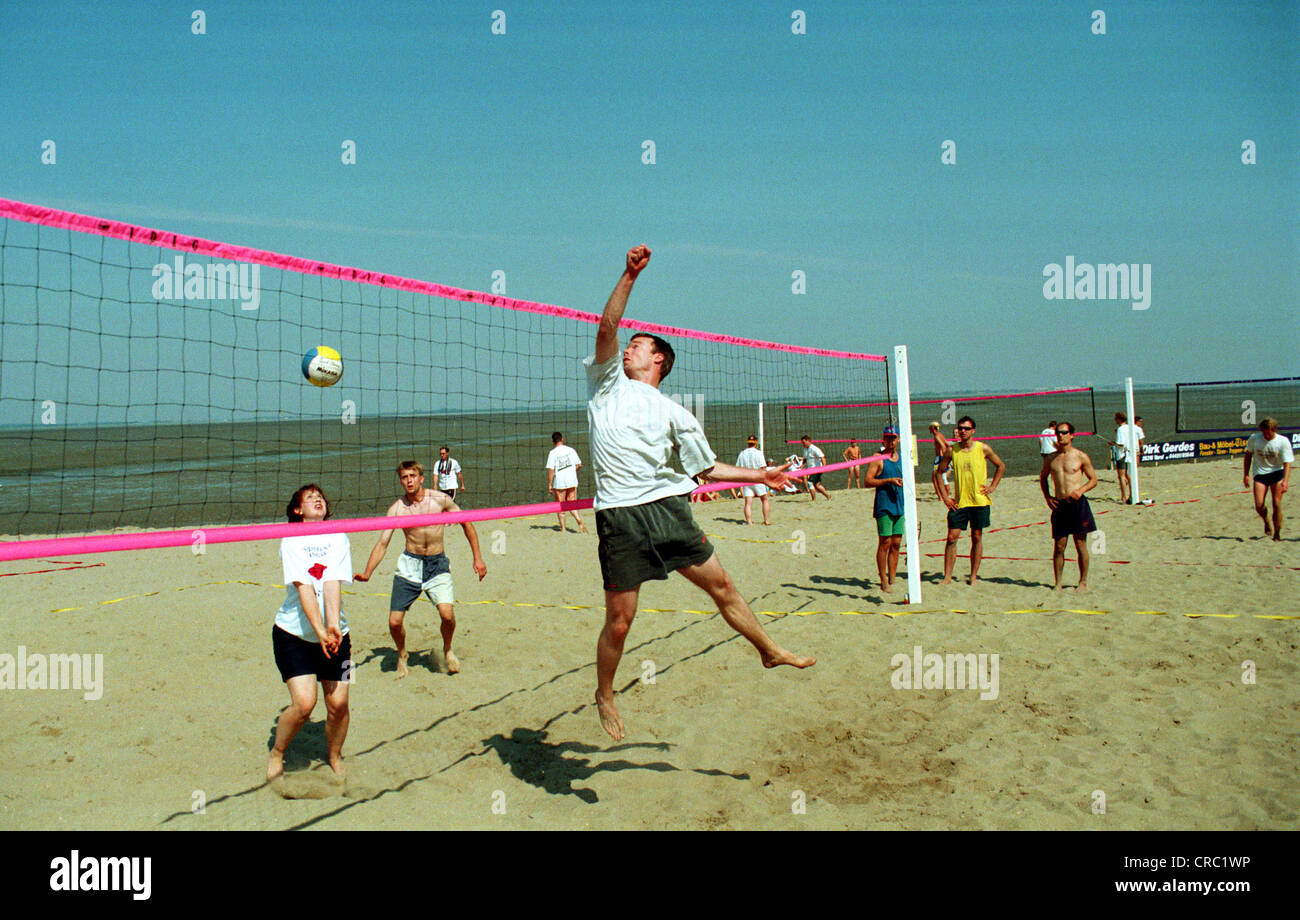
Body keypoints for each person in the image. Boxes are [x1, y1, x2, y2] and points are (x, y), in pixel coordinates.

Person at [586, 244, 815, 741]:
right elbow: (606, 329)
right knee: (621, 624)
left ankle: (769, 649)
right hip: (620, 516)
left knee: (724, 587)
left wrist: (761, 477)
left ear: (659, 359)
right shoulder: (607, 387)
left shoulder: (676, 413)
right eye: (629, 344)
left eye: (639, 345)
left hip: (667, 509)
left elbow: (706, 469)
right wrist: (628, 275)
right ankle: (605, 693)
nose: (628, 348)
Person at [354, 461, 487, 678]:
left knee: (447, 615)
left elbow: (467, 524)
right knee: (394, 622)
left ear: (421, 478)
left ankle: (447, 649)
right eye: (404, 477)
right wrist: (368, 572)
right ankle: (402, 654)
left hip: (437, 564)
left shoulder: (440, 499)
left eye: (412, 476)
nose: (409, 480)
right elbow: (382, 543)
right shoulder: (397, 509)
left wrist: (478, 559)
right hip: (410, 565)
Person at [267, 484, 352, 782]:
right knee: (304, 704)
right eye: (309, 498)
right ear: (297, 510)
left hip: (336, 634)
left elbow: (332, 583)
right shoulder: (291, 539)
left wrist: (332, 627)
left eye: (321, 497)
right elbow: (304, 587)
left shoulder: (338, 535)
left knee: (339, 705)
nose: (317, 499)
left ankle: (334, 755)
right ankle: (277, 752)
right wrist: (318, 629)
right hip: (293, 635)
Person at [934, 416, 1006, 585]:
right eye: (960, 428)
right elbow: (939, 473)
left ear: (973, 431)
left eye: (966, 428)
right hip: (959, 502)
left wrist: (992, 487)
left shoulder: (983, 448)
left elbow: (1000, 466)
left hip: (979, 501)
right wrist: (945, 497)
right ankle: (947, 577)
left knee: (976, 536)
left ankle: (973, 576)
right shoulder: (952, 450)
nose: (963, 431)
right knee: (952, 537)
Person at [1039, 422, 1099, 591]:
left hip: (1077, 504)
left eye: (1064, 432)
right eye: (1058, 433)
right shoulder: (1051, 458)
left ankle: (1083, 582)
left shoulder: (1080, 456)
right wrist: (1048, 497)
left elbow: (1093, 479)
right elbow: (1043, 478)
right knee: (1059, 545)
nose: (1060, 435)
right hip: (1060, 504)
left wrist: (1081, 490)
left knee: (1080, 544)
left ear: (1072, 435)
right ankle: (1058, 583)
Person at [863, 426, 905, 593]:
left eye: (893, 438)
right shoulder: (878, 458)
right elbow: (867, 481)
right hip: (884, 505)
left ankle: (893, 578)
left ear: (898, 439)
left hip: (900, 504)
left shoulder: (902, 458)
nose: (891, 441)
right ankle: (883, 580)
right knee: (885, 543)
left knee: (896, 543)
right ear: (883, 439)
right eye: (888, 438)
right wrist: (888, 481)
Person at [1243, 417, 1293, 541]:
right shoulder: (1255, 438)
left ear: (1274, 430)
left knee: (1276, 503)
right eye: (1263, 432)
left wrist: (1285, 481)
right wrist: (1246, 474)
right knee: (1259, 505)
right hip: (1260, 474)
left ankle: (1277, 533)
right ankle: (1266, 521)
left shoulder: (1283, 441)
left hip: (1277, 473)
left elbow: (1287, 463)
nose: (1265, 435)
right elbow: (1248, 456)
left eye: (1268, 432)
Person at [546, 432, 587, 533]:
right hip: (572, 480)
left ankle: (563, 529)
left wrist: (550, 484)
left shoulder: (553, 453)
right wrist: (573, 470)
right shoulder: (571, 450)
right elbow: (579, 464)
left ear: (553, 441)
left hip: (560, 482)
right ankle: (579, 521)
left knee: (560, 506)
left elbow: (551, 470)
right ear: (562, 439)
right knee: (572, 503)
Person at [736, 435, 772, 525]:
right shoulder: (758, 453)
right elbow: (763, 468)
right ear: (756, 442)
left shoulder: (742, 453)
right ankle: (766, 520)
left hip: (747, 479)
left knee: (748, 502)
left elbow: (737, 468)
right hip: (757, 478)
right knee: (764, 499)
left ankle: (749, 522)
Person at [1110, 412, 1139, 503]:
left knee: (1122, 476)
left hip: (1122, 454)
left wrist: (1113, 443)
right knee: (1129, 475)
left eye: (1115, 419)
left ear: (1118, 419)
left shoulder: (1121, 429)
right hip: (1131, 453)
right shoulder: (1130, 427)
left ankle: (1123, 497)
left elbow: (1121, 444)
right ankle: (1131, 494)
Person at [800, 435, 831, 501]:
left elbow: (822, 457)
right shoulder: (805, 449)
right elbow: (805, 458)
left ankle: (813, 500)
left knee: (810, 483)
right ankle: (828, 496)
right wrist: (802, 465)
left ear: (808, 441)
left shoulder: (814, 448)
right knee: (817, 485)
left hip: (817, 469)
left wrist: (824, 467)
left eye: (804, 442)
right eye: (802, 443)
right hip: (811, 470)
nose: (803, 444)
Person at [929, 422, 951, 487]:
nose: (929, 429)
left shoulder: (937, 436)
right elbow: (948, 445)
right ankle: (946, 495)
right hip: (942, 457)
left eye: (930, 428)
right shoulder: (941, 435)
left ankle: (941, 496)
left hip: (939, 458)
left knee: (935, 478)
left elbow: (943, 446)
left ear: (933, 428)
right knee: (943, 478)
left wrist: (945, 458)